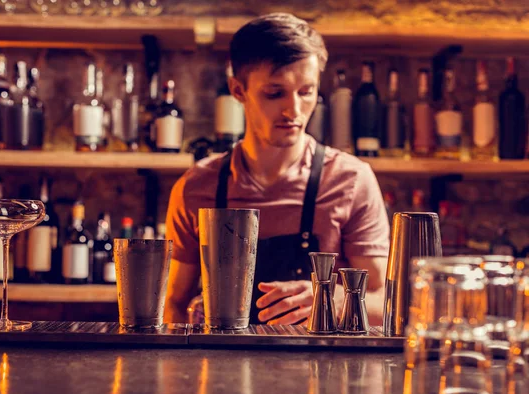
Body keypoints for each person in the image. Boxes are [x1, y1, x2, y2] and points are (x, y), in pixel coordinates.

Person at [164, 13, 390, 326]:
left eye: (306, 91)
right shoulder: (196, 186)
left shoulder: (350, 180)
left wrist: (337, 298)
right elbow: (173, 304)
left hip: (321, 371)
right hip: (221, 370)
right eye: (275, 93)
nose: (293, 110)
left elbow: (387, 306)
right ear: (238, 90)